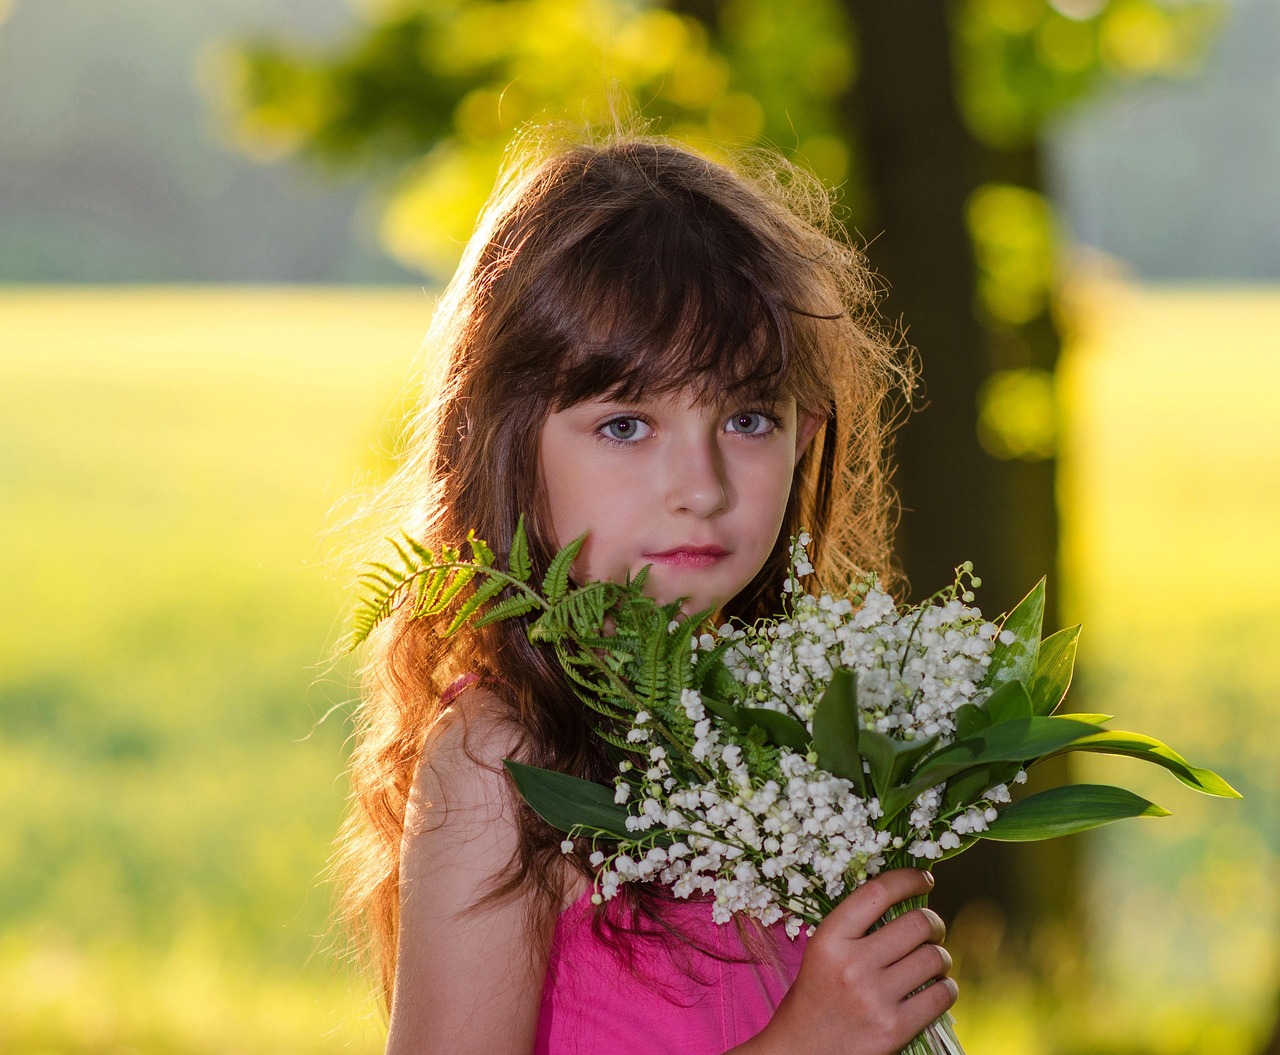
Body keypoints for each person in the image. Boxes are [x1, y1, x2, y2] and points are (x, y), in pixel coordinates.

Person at [338, 129, 958, 1055]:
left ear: (805, 433)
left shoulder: (783, 729)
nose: (702, 486)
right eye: (627, 424)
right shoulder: (503, 763)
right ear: (505, 441)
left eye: (748, 418)